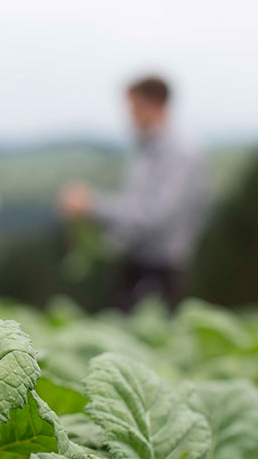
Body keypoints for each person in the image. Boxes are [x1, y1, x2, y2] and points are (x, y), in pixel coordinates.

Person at [58, 76, 207, 310]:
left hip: (160, 272)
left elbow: (154, 216)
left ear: (155, 104)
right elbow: (132, 209)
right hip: (136, 266)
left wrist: (92, 205)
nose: (130, 115)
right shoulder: (146, 152)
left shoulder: (180, 156)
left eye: (134, 107)